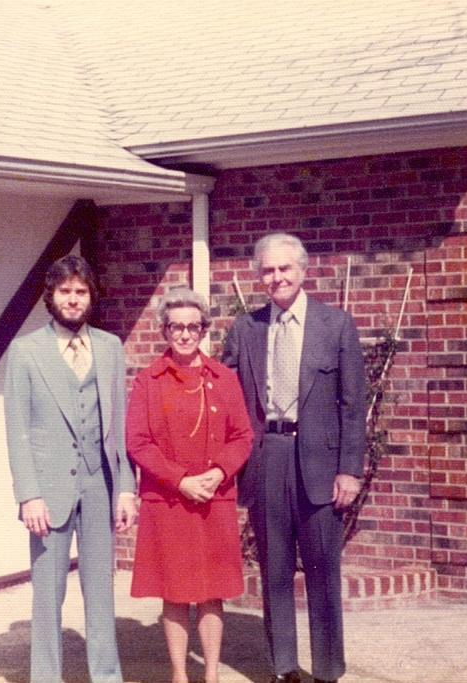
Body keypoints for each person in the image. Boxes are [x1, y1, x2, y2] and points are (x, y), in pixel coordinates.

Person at [222, 233, 366, 683]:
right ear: (259, 276)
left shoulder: (335, 325)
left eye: (284, 268)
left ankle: (327, 670)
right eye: (267, 270)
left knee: (322, 570)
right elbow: (224, 395)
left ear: (303, 271)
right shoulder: (246, 329)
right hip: (268, 458)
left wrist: (349, 469)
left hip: (321, 463)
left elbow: (352, 405)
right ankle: (283, 667)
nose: (276, 277)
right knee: (275, 568)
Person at [3, 254, 137, 683]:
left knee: (101, 593)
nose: (74, 300)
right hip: (48, 492)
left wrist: (127, 488)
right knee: (49, 594)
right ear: (51, 296)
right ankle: (46, 677)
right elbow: (17, 430)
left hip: (100, 486)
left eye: (81, 292)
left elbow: (118, 424)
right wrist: (28, 495)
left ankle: (107, 676)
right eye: (66, 292)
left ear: (90, 296)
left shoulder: (110, 347)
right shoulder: (26, 352)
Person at [126, 286, 253, 683]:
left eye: (192, 327)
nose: (184, 334)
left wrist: (217, 474)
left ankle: (211, 674)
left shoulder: (224, 378)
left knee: (213, 591)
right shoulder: (149, 381)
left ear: (204, 330)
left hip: (214, 498)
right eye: (176, 327)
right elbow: (138, 442)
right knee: (176, 591)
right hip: (170, 501)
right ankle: (180, 674)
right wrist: (181, 481)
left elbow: (243, 437)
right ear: (164, 331)